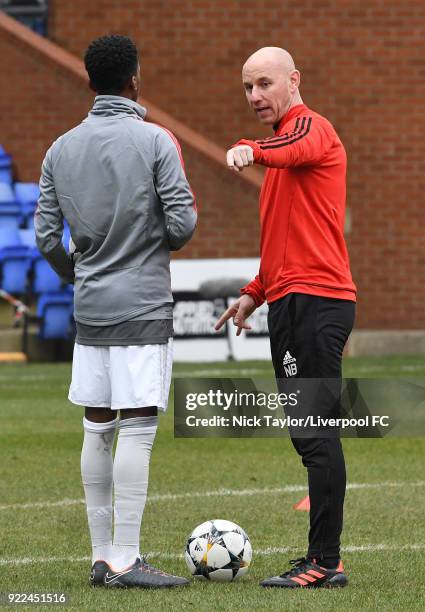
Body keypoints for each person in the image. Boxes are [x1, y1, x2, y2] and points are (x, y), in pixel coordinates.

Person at [35, 34, 197, 588]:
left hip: (91, 309)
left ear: (89, 80)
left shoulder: (59, 148)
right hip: (142, 304)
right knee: (140, 429)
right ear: (135, 78)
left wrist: (77, 273)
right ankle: (127, 558)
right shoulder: (156, 140)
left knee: (97, 426)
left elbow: (46, 235)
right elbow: (182, 225)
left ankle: (103, 556)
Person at [216, 47, 356, 588]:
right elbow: (284, 240)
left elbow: (289, 145)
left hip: (319, 301)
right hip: (290, 300)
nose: (254, 97)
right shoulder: (282, 158)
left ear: (294, 81)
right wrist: (254, 293)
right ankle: (321, 557)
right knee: (307, 432)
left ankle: (326, 561)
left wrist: (251, 148)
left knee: (317, 431)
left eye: (264, 84)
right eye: (247, 88)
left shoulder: (312, 130)